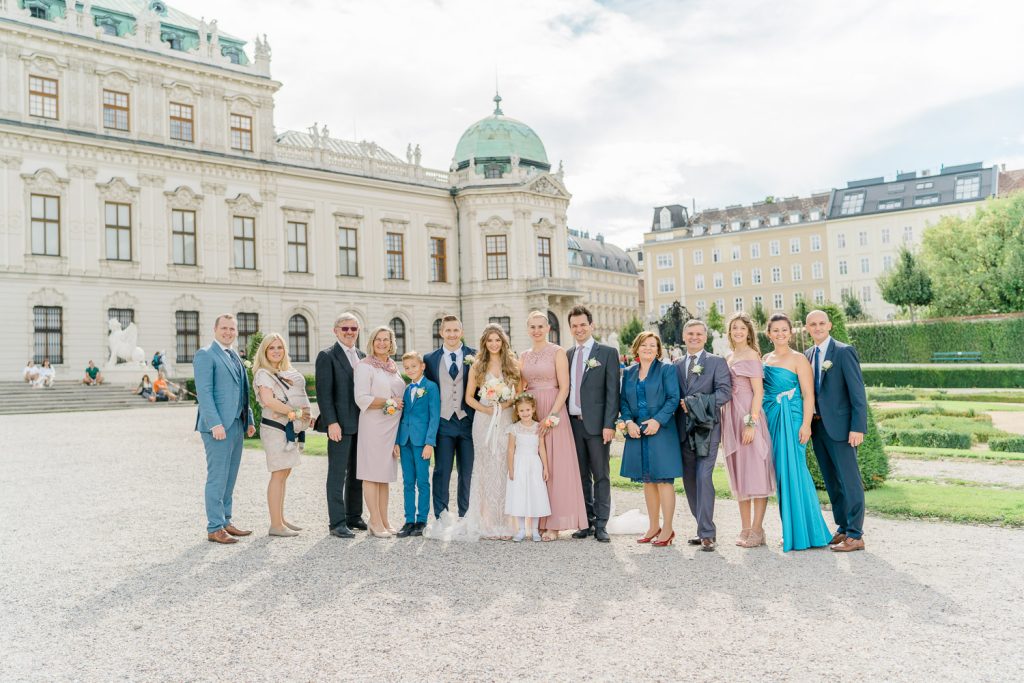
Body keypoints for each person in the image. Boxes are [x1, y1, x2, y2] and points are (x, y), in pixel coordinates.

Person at [762, 313, 832, 552]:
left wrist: (806, 424)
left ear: (791, 332)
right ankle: (789, 530)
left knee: (797, 471)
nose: (780, 334)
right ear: (768, 334)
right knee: (782, 475)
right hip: (772, 418)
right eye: (776, 330)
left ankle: (809, 531)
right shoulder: (765, 359)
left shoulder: (799, 358)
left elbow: (808, 394)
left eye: (784, 330)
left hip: (792, 419)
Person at [805, 309, 869, 553]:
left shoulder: (843, 352)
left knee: (850, 480)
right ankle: (843, 526)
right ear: (807, 328)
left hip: (842, 429)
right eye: (813, 324)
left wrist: (857, 427)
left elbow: (857, 392)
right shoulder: (808, 355)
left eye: (822, 323)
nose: (818, 327)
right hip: (818, 427)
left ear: (829, 325)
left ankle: (856, 534)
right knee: (832, 481)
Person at [520, 311, 587, 541]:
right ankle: (539, 518)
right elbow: (520, 387)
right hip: (531, 411)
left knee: (556, 468)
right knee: (536, 466)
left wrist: (550, 417)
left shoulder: (558, 352)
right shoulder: (523, 356)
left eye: (541, 326)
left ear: (548, 328)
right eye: (532, 327)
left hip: (554, 410)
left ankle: (555, 523)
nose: (537, 330)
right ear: (527, 330)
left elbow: (565, 387)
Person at [193, 314, 256, 545]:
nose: (228, 332)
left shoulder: (235, 356)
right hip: (218, 427)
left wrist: (248, 419)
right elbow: (205, 393)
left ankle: (226, 520)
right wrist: (215, 424)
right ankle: (214, 527)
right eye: (224, 328)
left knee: (230, 478)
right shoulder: (206, 355)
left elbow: (242, 391)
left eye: (232, 329)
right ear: (215, 329)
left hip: (237, 424)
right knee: (217, 478)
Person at [673, 320, 731, 552]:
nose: (694, 337)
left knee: (703, 476)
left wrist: (694, 404)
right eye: (690, 333)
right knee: (689, 480)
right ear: (684, 336)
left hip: (707, 429)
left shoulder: (717, 362)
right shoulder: (676, 365)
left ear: (705, 337)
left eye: (699, 334)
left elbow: (724, 393)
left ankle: (708, 533)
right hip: (682, 430)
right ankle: (701, 528)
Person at [620, 331, 682, 546]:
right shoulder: (628, 373)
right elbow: (623, 402)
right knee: (647, 480)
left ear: (658, 350)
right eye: (644, 345)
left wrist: (658, 421)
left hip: (661, 429)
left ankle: (668, 528)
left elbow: (673, 398)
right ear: (636, 347)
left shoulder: (666, 369)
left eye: (653, 345)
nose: (648, 348)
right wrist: (628, 422)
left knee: (663, 480)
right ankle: (653, 525)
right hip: (637, 430)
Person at [565, 305, 621, 543]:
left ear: (591, 326)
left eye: (583, 325)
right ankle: (586, 521)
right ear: (570, 328)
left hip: (598, 426)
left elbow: (613, 393)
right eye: (575, 326)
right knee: (580, 475)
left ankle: (601, 524)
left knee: (601, 475)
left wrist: (609, 424)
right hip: (572, 425)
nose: (579, 329)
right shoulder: (567, 355)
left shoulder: (607, 352)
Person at [721, 312, 776, 548]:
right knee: (740, 474)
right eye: (734, 328)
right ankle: (744, 527)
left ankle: (757, 529)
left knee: (756, 473)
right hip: (731, 416)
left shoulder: (753, 355)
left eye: (742, 328)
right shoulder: (728, 356)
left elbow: (759, 392)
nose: (738, 332)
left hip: (747, 416)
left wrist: (751, 423)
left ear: (748, 332)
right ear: (730, 332)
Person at [463, 323, 519, 539]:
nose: (494, 344)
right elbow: (469, 397)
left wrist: (503, 406)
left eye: (497, 340)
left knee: (504, 467)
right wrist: (487, 408)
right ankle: (485, 522)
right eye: (490, 340)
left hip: (505, 419)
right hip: (483, 420)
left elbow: (518, 393)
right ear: (484, 343)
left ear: (503, 342)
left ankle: (506, 522)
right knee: (485, 467)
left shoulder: (512, 364)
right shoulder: (478, 365)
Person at [252, 333, 311, 538]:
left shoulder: (283, 372)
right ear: (265, 351)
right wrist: (293, 413)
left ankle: (281, 519)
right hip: (274, 428)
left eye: (279, 347)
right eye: (271, 348)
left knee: (285, 473)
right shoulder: (263, 374)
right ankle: (275, 525)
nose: (276, 351)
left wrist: (301, 415)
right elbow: (268, 401)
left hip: (287, 427)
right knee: (278, 474)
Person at [314, 313, 367, 538]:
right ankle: (337, 522)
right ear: (336, 331)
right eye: (344, 328)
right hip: (339, 425)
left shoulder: (363, 357)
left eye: (353, 329)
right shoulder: (327, 356)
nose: (349, 332)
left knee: (357, 473)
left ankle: (353, 516)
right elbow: (323, 394)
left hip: (362, 425)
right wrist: (331, 423)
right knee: (337, 474)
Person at [354, 326, 406, 538]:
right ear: (372, 342)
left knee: (384, 476)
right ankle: (374, 521)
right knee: (371, 474)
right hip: (373, 425)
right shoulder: (365, 366)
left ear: (391, 343)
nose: (382, 343)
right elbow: (362, 398)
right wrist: (390, 401)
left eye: (386, 339)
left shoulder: (393, 366)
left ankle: (384, 518)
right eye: (378, 340)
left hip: (391, 428)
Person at [423, 315, 477, 519]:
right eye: (448, 330)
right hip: (443, 424)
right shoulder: (429, 359)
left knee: (467, 473)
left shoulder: (475, 355)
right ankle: (441, 516)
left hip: (467, 422)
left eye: (456, 330)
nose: (452, 334)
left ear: (461, 332)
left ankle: (466, 515)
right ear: (441, 333)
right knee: (442, 471)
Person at [393, 351, 440, 538]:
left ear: (422, 366)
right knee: (407, 482)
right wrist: (397, 441)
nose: (410, 370)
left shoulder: (431, 387)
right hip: (405, 441)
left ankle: (421, 520)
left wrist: (430, 443)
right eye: (406, 368)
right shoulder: (406, 389)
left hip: (422, 442)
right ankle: (409, 520)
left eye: (414, 366)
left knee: (422, 481)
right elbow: (401, 416)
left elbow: (434, 417)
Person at [505, 393, 551, 542]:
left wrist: (545, 468)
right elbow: (511, 450)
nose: (525, 413)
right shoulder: (514, 428)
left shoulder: (538, 427)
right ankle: (521, 530)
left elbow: (541, 448)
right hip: (519, 464)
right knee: (519, 495)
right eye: (522, 411)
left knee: (535, 494)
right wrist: (511, 469)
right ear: (517, 412)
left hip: (534, 464)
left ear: (533, 409)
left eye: (527, 410)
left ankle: (535, 530)